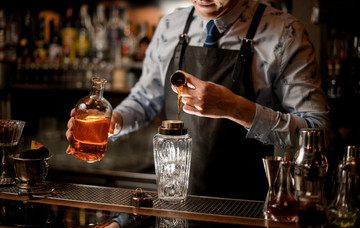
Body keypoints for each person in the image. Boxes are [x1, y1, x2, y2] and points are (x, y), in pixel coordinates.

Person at [66, 0, 330, 201]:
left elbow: (318, 132)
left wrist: (235, 108)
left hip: (246, 209)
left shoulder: (285, 33)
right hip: (175, 202)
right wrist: (114, 121)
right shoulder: (171, 25)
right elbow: (146, 97)